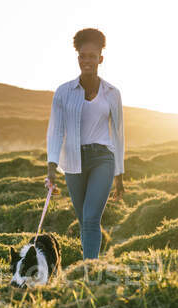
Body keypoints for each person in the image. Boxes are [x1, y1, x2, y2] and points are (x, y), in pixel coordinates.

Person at [45, 27, 126, 260]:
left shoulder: (112, 93)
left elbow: (118, 133)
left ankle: (89, 271)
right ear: (78, 57)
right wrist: (52, 167)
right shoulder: (63, 92)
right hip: (73, 161)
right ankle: (90, 266)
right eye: (83, 56)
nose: (87, 60)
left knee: (91, 219)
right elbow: (56, 131)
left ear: (100, 58)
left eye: (92, 56)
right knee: (83, 221)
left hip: (103, 158)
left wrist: (119, 174)